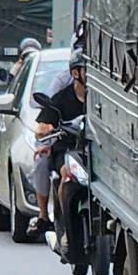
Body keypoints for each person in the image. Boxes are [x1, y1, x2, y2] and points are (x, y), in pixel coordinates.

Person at [28, 55, 89, 229]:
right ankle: (58, 222)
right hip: (67, 151)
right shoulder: (61, 98)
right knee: (64, 171)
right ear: (76, 73)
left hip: (94, 150)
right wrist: (44, 131)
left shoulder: (99, 98)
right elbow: (42, 127)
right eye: (86, 70)